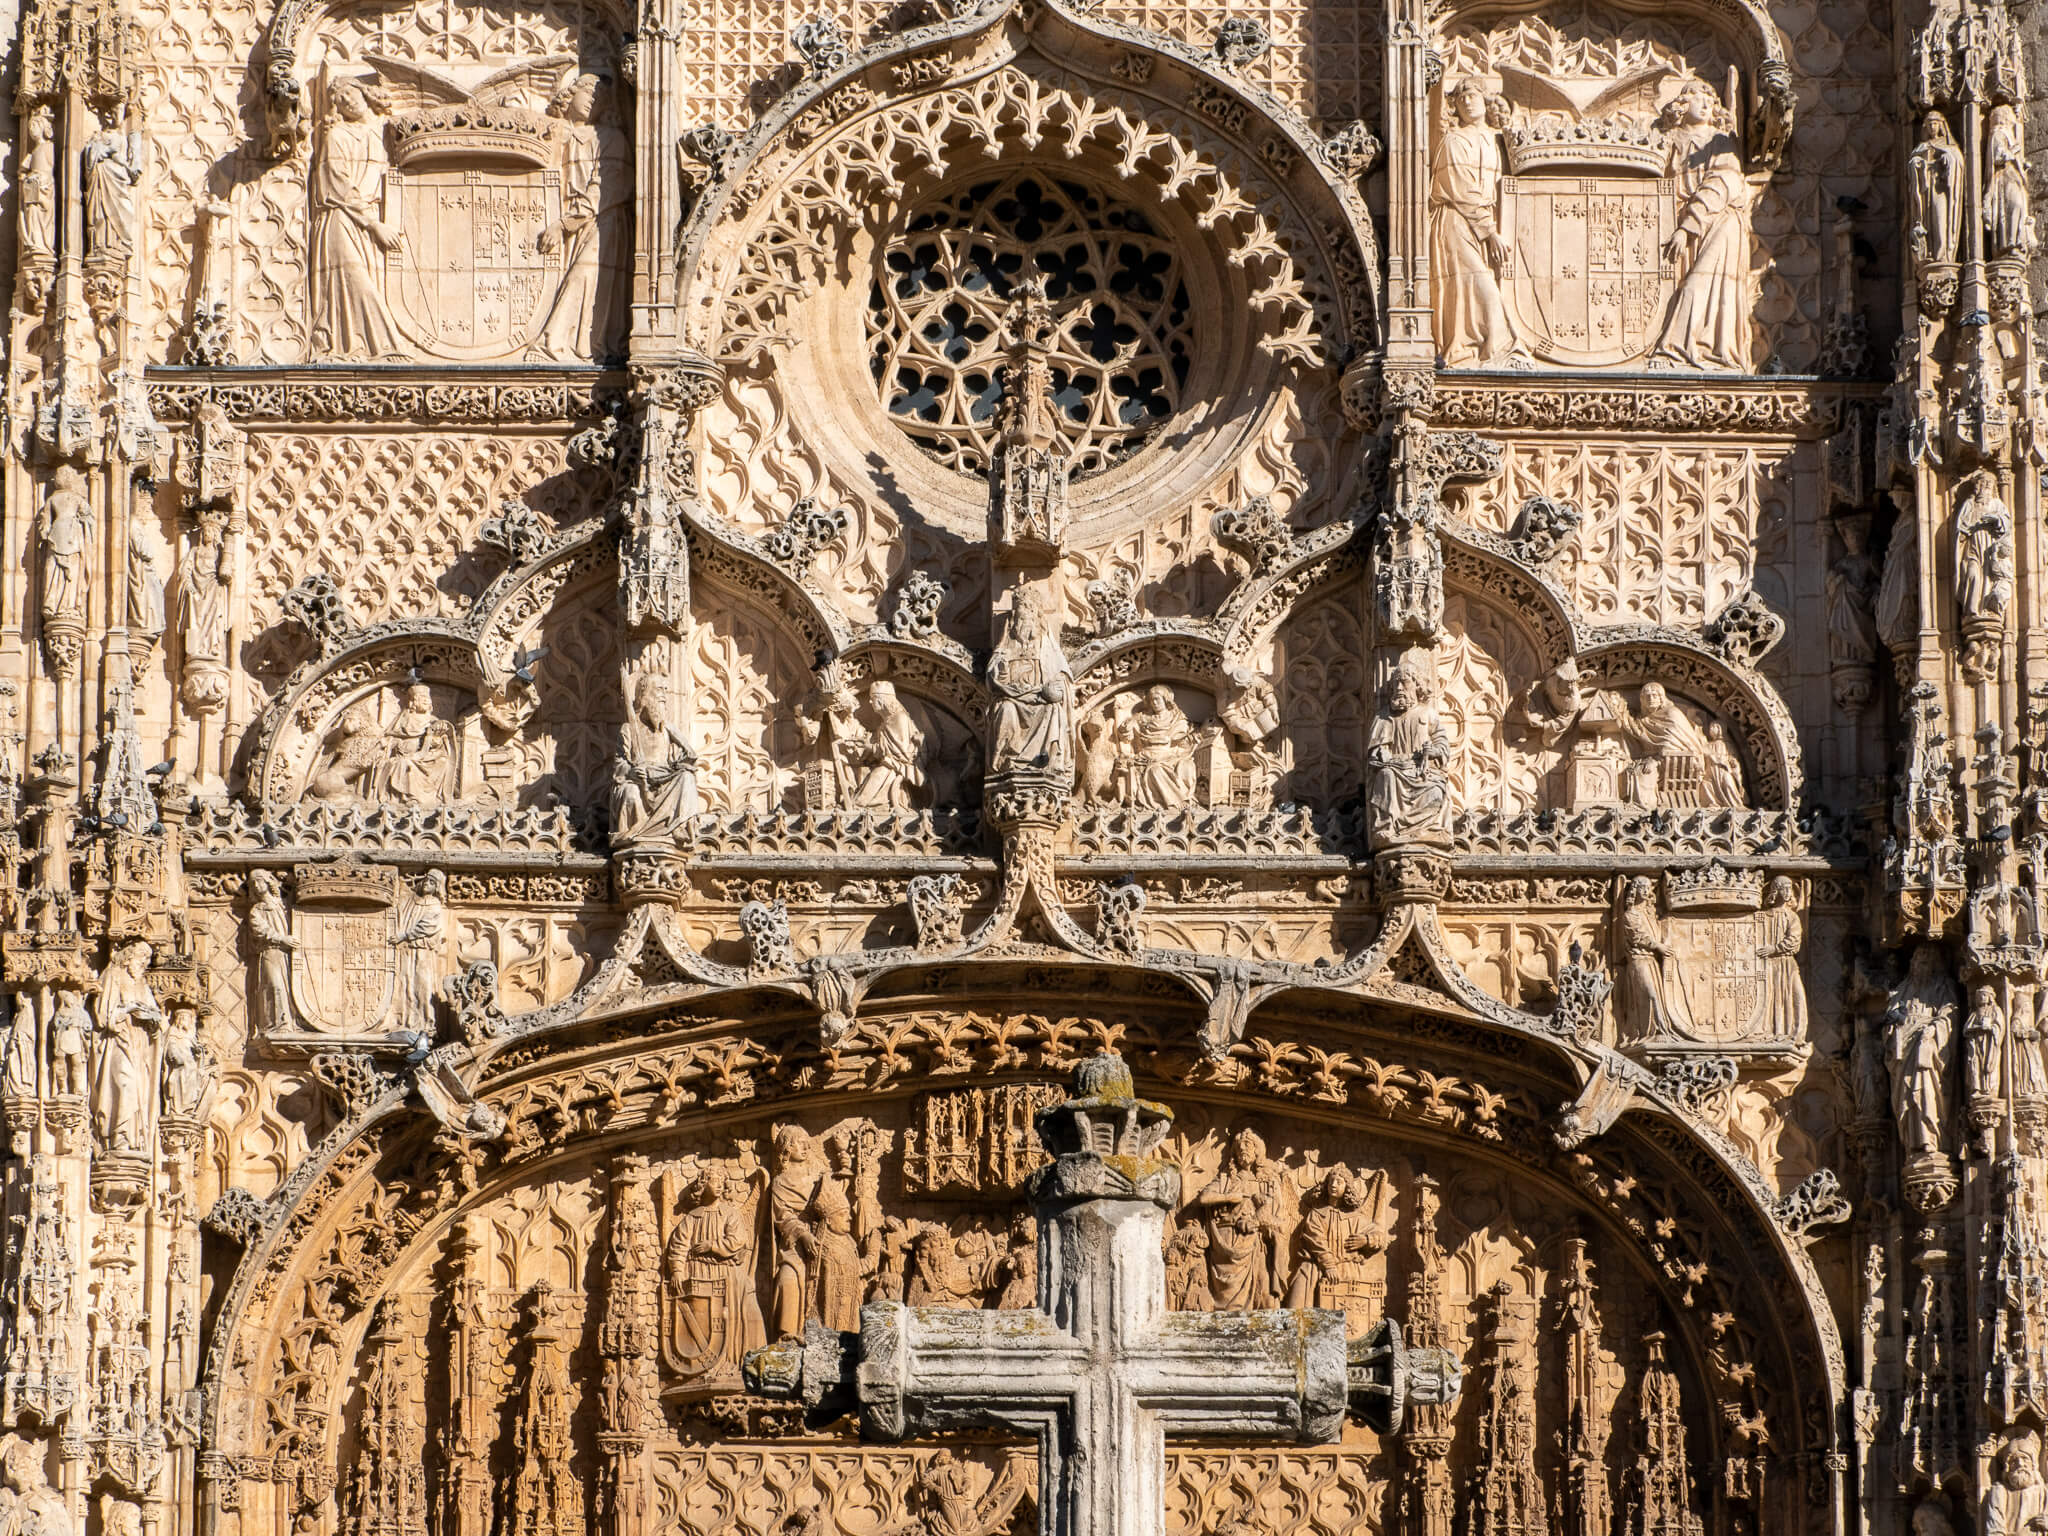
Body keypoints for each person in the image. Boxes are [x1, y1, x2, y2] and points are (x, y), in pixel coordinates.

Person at [1650, 80, 1752, 371]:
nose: (1707, 103)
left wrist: (1688, 226)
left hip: (1718, 223)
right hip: (1677, 223)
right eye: (1698, 97)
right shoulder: (1670, 140)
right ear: (1682, 104)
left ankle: (1684, 348)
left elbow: (1724, 181)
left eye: (1711, 99)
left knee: (1699, 285)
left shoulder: (1720, 141)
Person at [309, 79, 406, 359]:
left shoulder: (380, 134)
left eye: (349, 93)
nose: (346, 101)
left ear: (363, 91)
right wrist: (373, 224)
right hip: (343, 219)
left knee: (372, 283)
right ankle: (378, 348)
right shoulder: (336, 136)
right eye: (339, 99)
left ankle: (372, 346)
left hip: (371, 222)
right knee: (355, 281)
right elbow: (335, 185)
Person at [1430, 80, 1521, 367]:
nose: (1466, 103)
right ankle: (1495, 350)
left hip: (1488, 225)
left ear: (1485, 99)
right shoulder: (1454, 141)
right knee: (1479, 287)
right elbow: (1461, 188)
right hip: (1456, 223)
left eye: (1471, 96)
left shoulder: (1498, 142)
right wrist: (1489, 231)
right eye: (1459, 99)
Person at [987, 591, 1072, 782]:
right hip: (1013, 698)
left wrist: (1055, 688)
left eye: (1027, 610)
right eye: (1018, 612)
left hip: (1039, 698)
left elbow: (1061, 675)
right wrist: (1001, 670)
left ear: (1036, 616)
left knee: (1052, 710)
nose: (1022, 616)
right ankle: (1005, 759)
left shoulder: (1046, 645)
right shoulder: (1006, 646)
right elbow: (995, 676)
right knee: (1005, 709)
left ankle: (1045, 760)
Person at [613, 674, 698, 840]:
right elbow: (619, 763)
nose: (663, 696)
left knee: (687, 778)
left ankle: (677, 825)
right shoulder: (629, 728)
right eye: (659, 690)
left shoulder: (668, 729)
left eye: (665, 691)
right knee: (630, 792)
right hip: (641, 779)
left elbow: (691, 756)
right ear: (644, 696)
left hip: (664, 777)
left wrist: (679, 761)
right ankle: (635, 833)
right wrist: (631, 772)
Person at [1753, 877, 1808, 1041]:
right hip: (1767, 965)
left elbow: (1794, 941)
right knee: (1770, 995)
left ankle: (1793, 1033)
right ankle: (1770, 1032)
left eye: (1790, 889)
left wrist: (1775, 949)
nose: (1788, 892)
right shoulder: (1762, 917)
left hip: (1786, 962)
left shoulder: (1792, 917)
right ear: (1775, 891)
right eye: (1784, 888)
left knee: (1793, 995)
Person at [246, 870, 297, 1038]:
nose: (256, 885)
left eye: (258, 881)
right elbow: (261, 931)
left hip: (289, 955)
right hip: (271, 952)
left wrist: (288, 878)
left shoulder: (283, 904)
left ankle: (290, 1022)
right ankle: (276, 1024)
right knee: (275, 986)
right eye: (252, 883)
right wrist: (281, 939)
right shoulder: (256, 910)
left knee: (291, 988)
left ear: (268, 881)